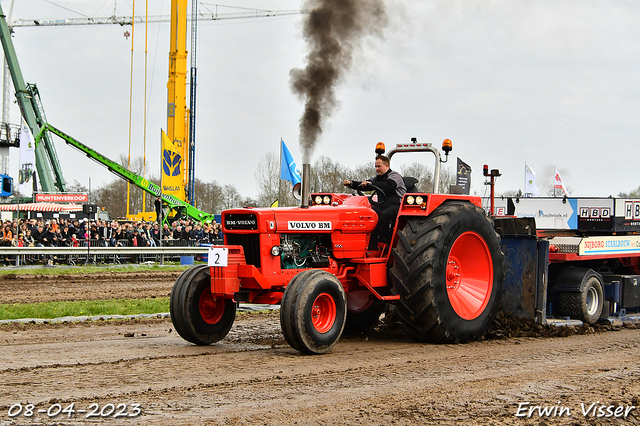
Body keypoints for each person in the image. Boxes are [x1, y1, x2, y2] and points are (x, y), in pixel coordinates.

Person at [343, 154, 407, 250]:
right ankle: (371, 244)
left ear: (386, 166)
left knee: (385, 214)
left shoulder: (394, 176)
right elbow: (365, 184)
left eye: (379, 166)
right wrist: (351, 183)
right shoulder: (377, 178)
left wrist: (372, 184)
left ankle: (384, 240)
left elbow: (389, 185)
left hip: (398, 205)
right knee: (370, 214)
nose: (377, 169)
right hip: (383, 204)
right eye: (376, 167)